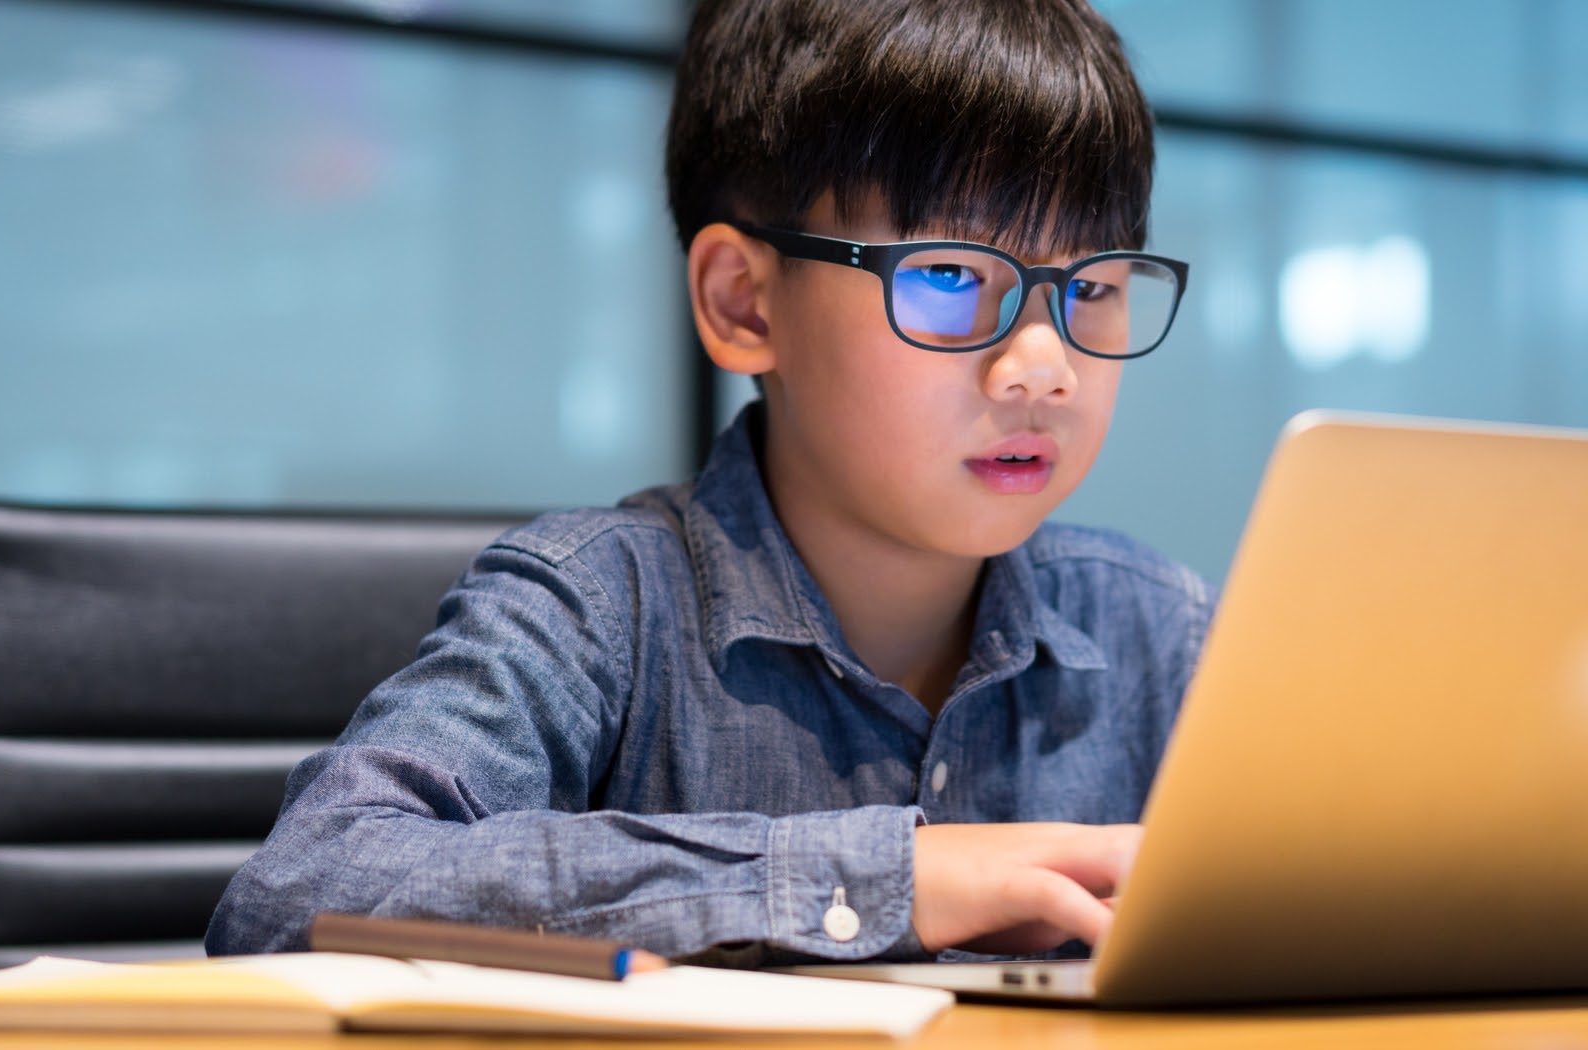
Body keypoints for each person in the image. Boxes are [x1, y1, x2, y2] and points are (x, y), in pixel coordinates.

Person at [207, 0, 1214, 964]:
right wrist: (882, 877)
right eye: (948, 276)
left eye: (1089, 289)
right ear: (745, 303)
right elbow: (304, 888)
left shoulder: (1159, 630)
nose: (1045, 365)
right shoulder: (598, 605)